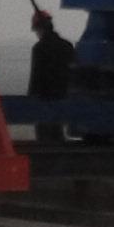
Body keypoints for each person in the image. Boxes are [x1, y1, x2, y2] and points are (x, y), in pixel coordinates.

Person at [27, 9, 75, 142]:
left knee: (44, 135)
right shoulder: (67, 46)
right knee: (57, 132)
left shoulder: (39, 48)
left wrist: (31, 99)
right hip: (63, 97)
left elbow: (36, 76)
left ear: (39, 29)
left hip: (44, 98)